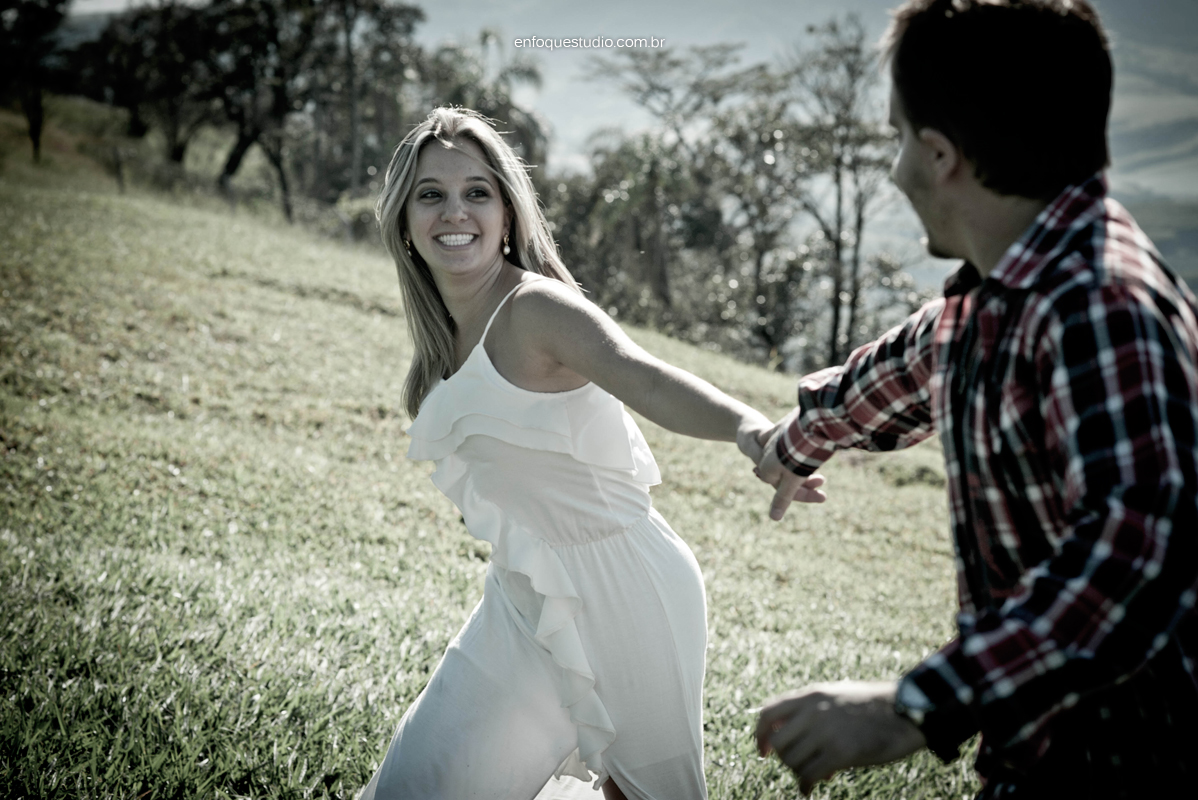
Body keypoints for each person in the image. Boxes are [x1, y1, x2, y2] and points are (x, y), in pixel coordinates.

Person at [751, 0, 1198, 797]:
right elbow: (917, 362)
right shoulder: (1010, 284)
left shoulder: (1101, 306)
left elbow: (1136, 557)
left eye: (896, 139)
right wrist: (801, 436)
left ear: (941, 153)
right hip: (1034, 758)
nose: (894, 169)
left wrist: (910, 709)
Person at [359, 107, 820, 800]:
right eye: (432, 194)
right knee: (419, 783)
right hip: (523, 601)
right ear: (404, 220)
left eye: (477, 192)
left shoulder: (536, 310)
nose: (456, 211)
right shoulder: (440, 345)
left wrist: (748, 429)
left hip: (629, 589)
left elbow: (642, 375)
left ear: (508, 215)